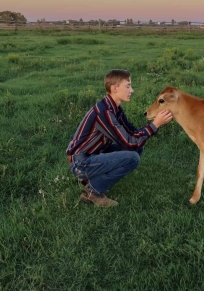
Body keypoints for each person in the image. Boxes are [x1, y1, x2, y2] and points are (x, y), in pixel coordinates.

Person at [66, 69, 173, 207]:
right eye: (128, 86)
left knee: (138, 147)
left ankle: (92, 179)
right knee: (132, 158)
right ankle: (93, 191)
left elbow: (133, 134)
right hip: (81, 162)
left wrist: (155, 124)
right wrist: (155, 125)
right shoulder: (104, 112)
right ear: (115, 89)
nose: (132, 90)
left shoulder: (114, 108)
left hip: (94, 154)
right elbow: (128, 141)